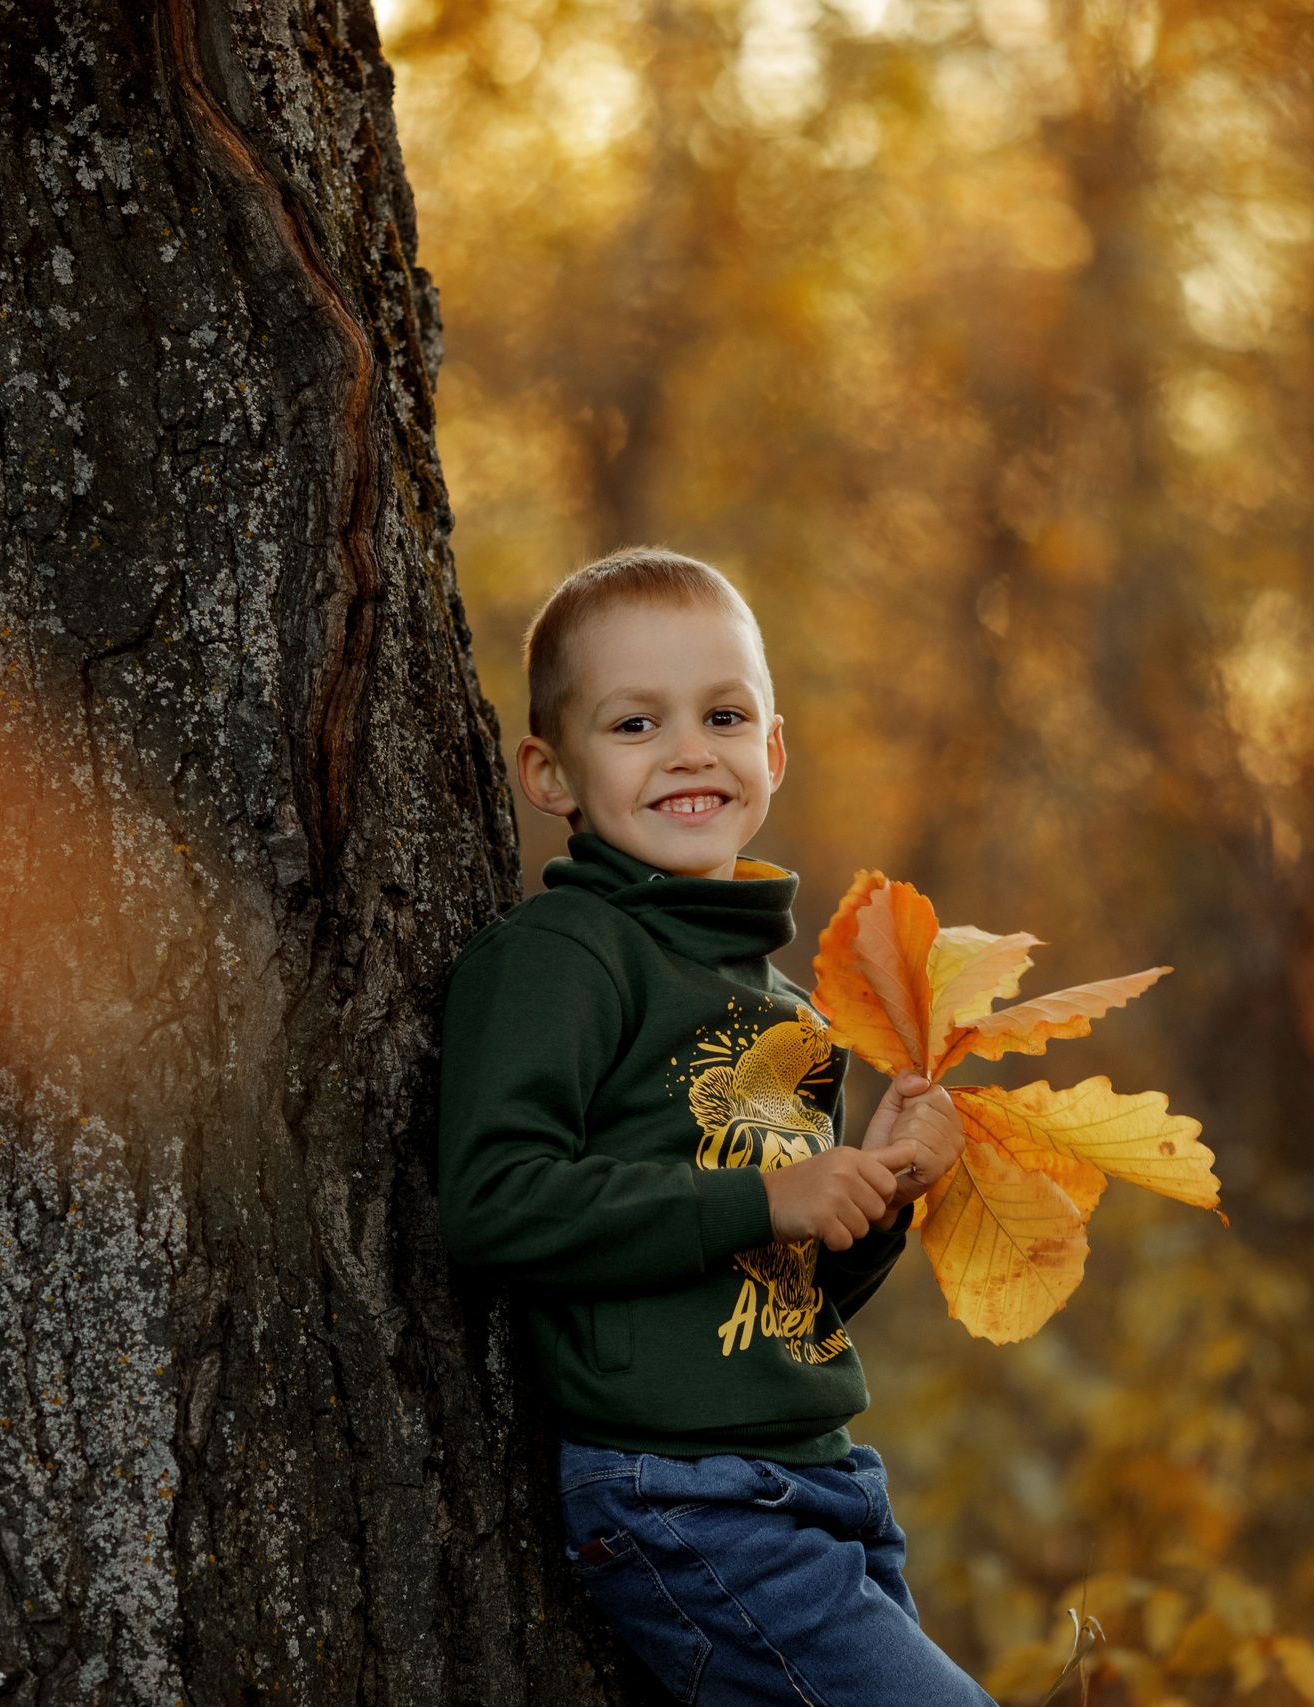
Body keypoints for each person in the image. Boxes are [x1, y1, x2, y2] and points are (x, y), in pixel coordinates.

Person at [436, 547, 990, 1704]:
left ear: (772, 750)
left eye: (724, 715)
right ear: (551, 774)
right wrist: (767, 1195)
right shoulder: (564, 957)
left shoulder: (787, 1011)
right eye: (635, 724)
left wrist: (885, 1190)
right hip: (679, 1495)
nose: (691, 750)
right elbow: (493, 1203)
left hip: (824, 1482)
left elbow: (782, 1297)